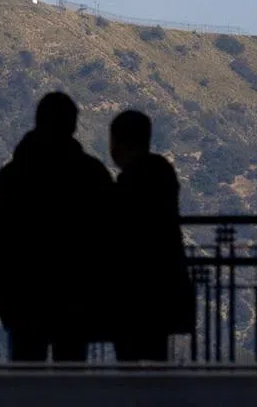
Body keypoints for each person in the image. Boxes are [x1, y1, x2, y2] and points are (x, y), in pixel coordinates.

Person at [0, 92, 115, 362]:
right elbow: (113, 232)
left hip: (22, 294)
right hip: (77, 293)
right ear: (73, 125)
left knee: (27, 372)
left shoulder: (13, 176)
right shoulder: (91, 174)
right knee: (72, 371)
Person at [109, 110, 194, 362]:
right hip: (165, 289)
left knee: (130, 362)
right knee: (156, 361)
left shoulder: (127, 186)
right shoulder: (163, 176)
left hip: (133, 295)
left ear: (118, 143)